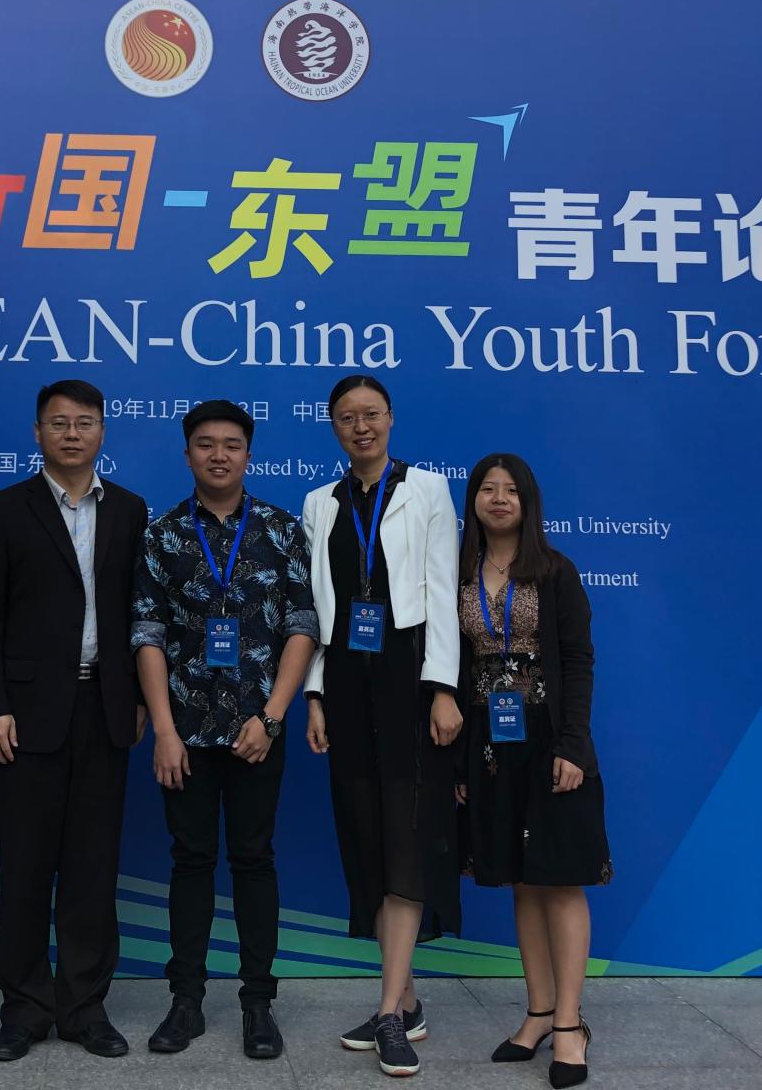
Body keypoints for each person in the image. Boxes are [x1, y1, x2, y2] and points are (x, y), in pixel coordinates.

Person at [0, 379, 149, 1061]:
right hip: (25, 714)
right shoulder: (2, 511)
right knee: (25, 867)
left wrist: (136, 697)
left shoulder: (129, 509)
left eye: (85, 422)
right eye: (59, 423)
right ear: (37, 433)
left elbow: (137, 613)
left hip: (105, 708)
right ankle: (23, 1007)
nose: (73, 434)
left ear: (103, 431)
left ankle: (83, 1007)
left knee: (92, 868)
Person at [132, 399, 320, 1060]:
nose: (219, 455)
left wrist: (272, 717)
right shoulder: (162, 534)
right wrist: (163, 730)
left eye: (232, 445)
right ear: (188, 453)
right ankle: (185, 1000)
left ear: (248, 454)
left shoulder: (280, 529)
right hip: (183, 734)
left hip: (256, 733)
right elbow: (148, 635)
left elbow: (302, 627)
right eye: (206, 444)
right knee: (190, 862)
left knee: (253, 860)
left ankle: (257, 1003)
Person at [301, 374, 462, 1079]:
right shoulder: (320, 501)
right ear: (333, 427)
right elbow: (317, 607)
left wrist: (443, 687)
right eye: (346, 417)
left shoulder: (427, 489)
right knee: (366, 841)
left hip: (407, 679)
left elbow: (442, 590)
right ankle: (409, 998)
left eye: (371, 414)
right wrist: (314, 695)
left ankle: (390, 1014)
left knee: (404, 840)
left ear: (391, 419)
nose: (360, 426)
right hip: (345, 682)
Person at [458, 453, 610, 1089]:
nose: (498, 498)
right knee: (521, 882)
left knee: (561, 879)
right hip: (490, 744)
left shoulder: (555, 571)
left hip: (550, 740)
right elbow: (454, 666)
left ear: (528, 502)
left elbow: (578, 659)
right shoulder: (458, 572)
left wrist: (573, 745)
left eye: (511, 490)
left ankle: (571, 1024)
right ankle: (539, 1011)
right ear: (473, 500)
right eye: (487, 489)